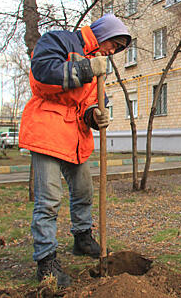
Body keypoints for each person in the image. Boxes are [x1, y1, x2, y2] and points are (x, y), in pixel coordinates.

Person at [19, 14, 131, 287]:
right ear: (102, 35)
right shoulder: (59, 40)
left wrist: (96, 115)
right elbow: (43, 74)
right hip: (48, 130)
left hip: (76, 138)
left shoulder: (100, 68)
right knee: (48, 201)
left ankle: (82, 238)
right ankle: (46, 262)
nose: (112, 52)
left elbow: (92, 103)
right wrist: (85, 69)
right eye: (113, 45)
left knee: (83, 192)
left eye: (117, 49)